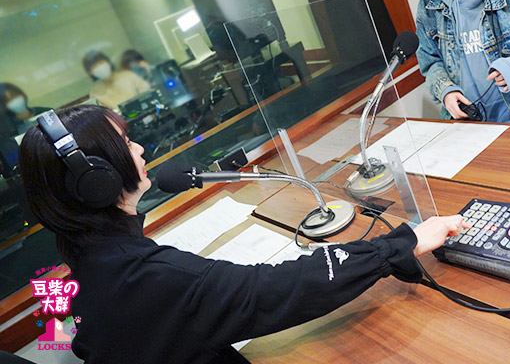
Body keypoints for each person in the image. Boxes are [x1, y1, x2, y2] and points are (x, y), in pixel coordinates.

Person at [19, 104, 466, 364]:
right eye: (124, 144)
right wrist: (401, 243)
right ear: (95, 181)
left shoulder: (85, 258)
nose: (137, 148)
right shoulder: (148, 276)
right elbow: (276, 289)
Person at [82, 50, 151, 110]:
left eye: (101, 62)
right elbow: (102, 114)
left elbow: (146, 91)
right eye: (95, 66)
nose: (99, 67)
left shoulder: (128, 75)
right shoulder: (95, 94)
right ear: (90, 73)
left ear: (108, 62)